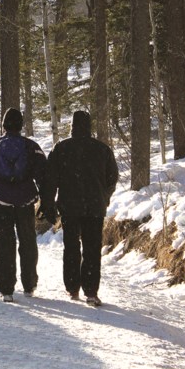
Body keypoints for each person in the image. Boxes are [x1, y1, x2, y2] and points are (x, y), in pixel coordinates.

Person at [40, 110, 119, 306]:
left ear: (73, 126)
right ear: (89, 126)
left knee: (71, 246)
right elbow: (112, 178)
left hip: (69, 206)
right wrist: (104, 196)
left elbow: (50, 179)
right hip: (94, 207)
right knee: (92, 248)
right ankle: (91, 291)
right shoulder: (102, 149)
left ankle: (73, 287)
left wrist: (48, 203)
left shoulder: (61, 148)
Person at [0, 108, 47, 302]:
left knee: (4, 243)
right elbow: (44, 176)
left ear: (3, 125)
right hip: (25, 201)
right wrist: (46, 200)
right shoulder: (32, 147)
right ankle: (29, 285)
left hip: (0, 200)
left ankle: (6, 290)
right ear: (21, 125)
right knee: (28, 242)